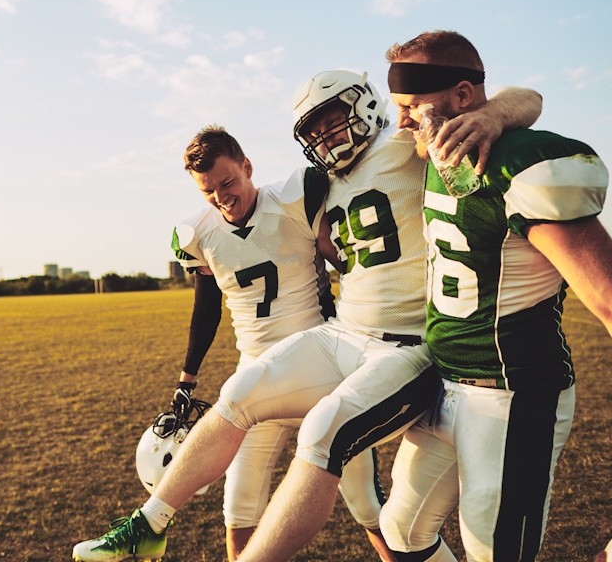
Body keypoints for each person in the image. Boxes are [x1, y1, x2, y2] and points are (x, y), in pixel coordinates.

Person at [73, 75, 542, 561]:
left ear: (363, 107)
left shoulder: (403, 142)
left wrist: (489, 115)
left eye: (333, 123)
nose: (326, 139)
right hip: (342, 334)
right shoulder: (318, 182)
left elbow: (527, 98)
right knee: (238, 393)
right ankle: (148, 524)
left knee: (332, 446)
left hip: (407, 343)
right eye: (314, 132)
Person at [375, 30, 612, 561]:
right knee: (400, 530)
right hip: (445, 387)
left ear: (465, 99)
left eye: (410, 107)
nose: (400, 122)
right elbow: (525, 96)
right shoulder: (431, 150)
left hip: (512, 396)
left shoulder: (516, 163)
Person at [74, 124, 394, 561]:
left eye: (228, 182)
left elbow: (346, 244)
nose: (222, 197)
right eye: (209, 191)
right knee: (238, 510)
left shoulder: (297, 196)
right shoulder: (197, 233)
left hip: (324, 367)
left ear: (247, 166)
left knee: (368, 506)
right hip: (256, 376)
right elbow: (206, 310)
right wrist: (186, 378)